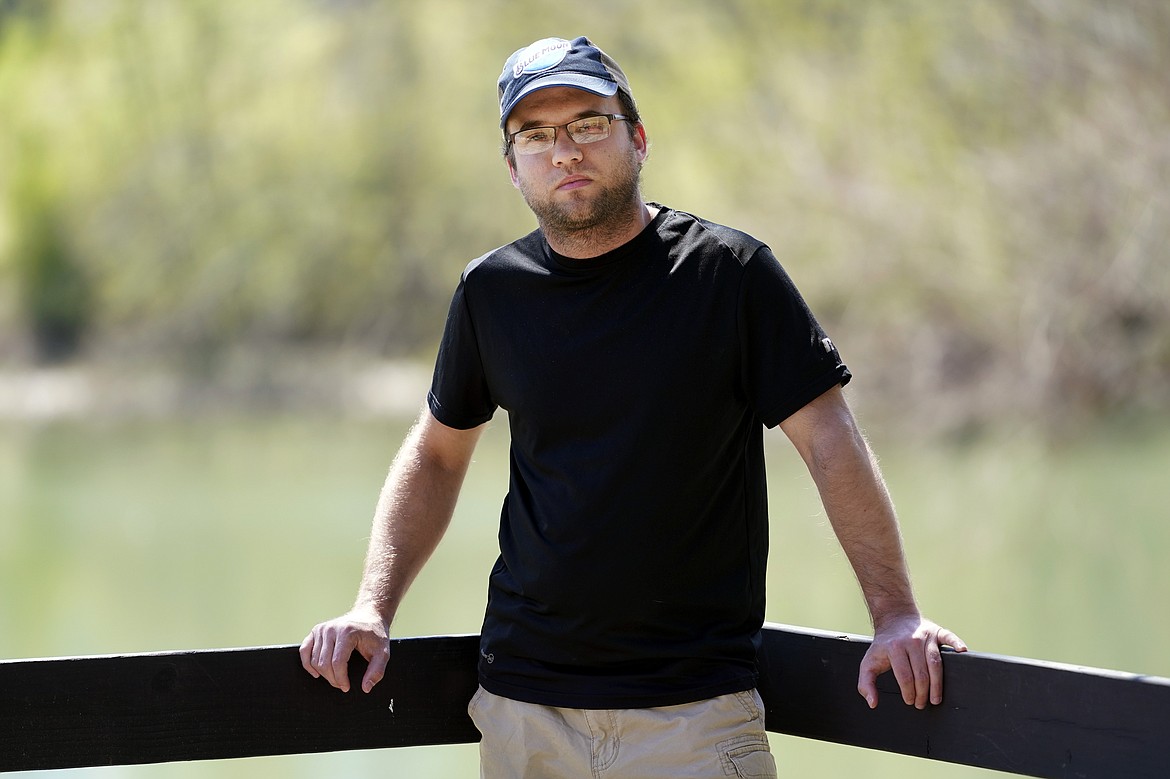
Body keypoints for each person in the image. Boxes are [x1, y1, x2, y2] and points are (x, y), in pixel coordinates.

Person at [301, 35, 966, 778]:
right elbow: (436, 453)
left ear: (637, 138)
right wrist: (373, 606)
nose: (566, 151)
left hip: (692, 716)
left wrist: (895, 613)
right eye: (537, 135)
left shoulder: (729, 274)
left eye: (589, 123)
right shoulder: (491, 293)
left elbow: (830, 441)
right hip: (525, 714)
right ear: (512, 166)